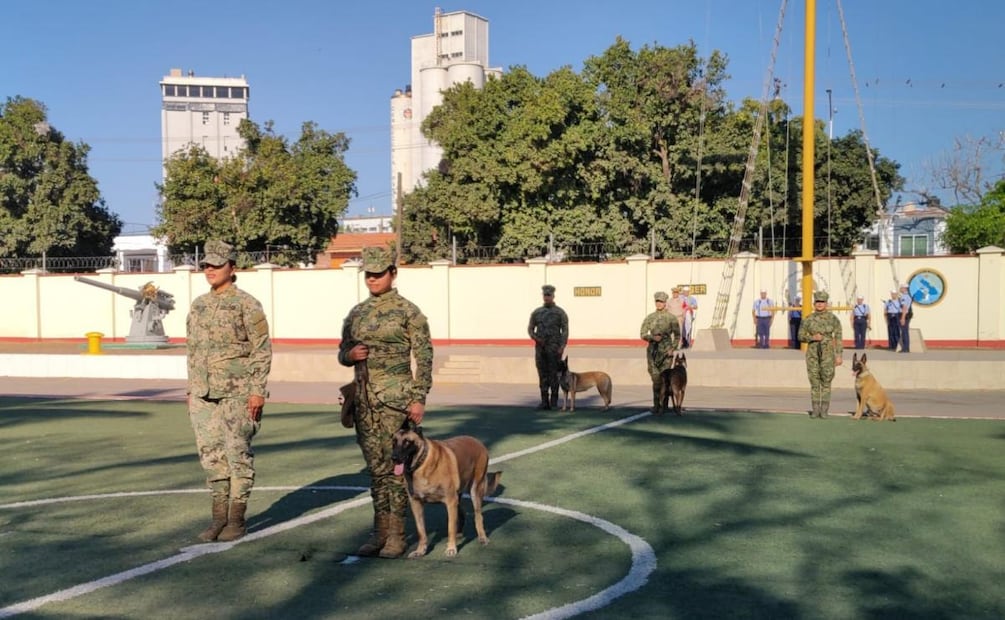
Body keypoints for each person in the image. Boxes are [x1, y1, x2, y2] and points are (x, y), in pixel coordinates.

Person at [339, 246, 433, 558]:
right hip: (365, 403)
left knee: (396, 469)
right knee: (375, 470)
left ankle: (397, 535)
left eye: (379, 274)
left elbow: (424, 357)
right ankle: (379, 531)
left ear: (393, 273)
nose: (373, 279)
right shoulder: (356, 313)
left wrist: (418, 398)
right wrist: (350, 356)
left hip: (396, 404)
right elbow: (342, 351)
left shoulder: (409, 312)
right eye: (369, 274)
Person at [187, 239, 273, 542]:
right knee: (211, 455)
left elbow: (261, 350)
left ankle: (237, 519)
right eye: (206, 265)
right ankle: (218, 518)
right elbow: (193, 351)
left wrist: (257, 390)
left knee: (237, 453)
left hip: (238, 392)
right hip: (203, 393)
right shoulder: (198, 305)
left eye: (216, 265)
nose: (210, 270)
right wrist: (192, 390)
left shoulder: (247, 304)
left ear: (232, 268)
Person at [798, 290, 843, 418]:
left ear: (826, 303)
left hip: (828, 354)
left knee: (826, 381)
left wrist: (839, 355)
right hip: (812, 354)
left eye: (822, 302)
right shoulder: (808, 319)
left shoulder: (833, 319)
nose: (819, 304)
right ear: (814, 303)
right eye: (817, 301)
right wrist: (812, 337)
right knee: (814, 381)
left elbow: (839, 338)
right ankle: (815, 409)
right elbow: (800, 335)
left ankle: (824, 410)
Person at [527, 284, 568, 410]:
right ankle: (544, 401)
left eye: (549, 295)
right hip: (540, 348)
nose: (547, 298)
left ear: (553, 296)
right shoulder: (537, 312)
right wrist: (536, 338)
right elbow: (530, 328)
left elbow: (565, 331)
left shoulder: (560, 313)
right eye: (545, 295)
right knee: (542, 374)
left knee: (554, 375)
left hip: (554, 349)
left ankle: (554, 402)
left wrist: (562, 346)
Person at [640, 291, 680, 413]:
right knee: (656, 380)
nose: (659, 304)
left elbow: (677, 336)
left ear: (665, 303)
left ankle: (664, 406)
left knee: (665, 380)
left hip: (666, 354)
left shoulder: (671, 318)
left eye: (661, 302)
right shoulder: (650, 317)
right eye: (657, 301)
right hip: (653, 353)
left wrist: (672, 348)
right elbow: (642, 334)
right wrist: (652, 338)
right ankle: (656, 405)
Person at [898, 284, 913, 353]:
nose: (900, 289)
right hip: (905, 315)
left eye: (901, 288)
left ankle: (905, 348)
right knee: (905, 332)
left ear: (904, 288)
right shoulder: (907, 296)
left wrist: (903, 318)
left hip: (904, 315)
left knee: (904, 332)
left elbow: (904, 308)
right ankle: (906, 348)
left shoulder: (904, 297)